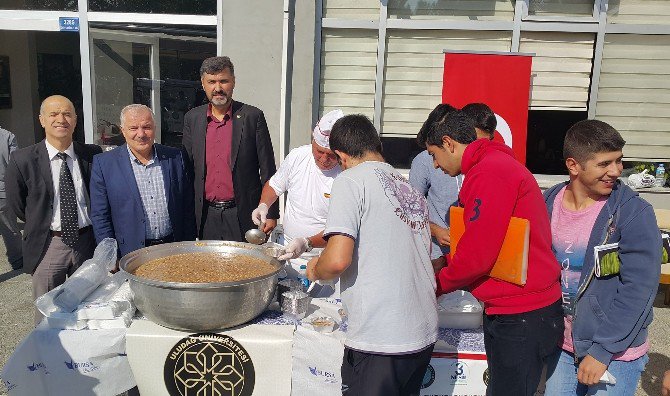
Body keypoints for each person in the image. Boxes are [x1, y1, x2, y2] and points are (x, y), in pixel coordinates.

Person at [421, 110, 563, 396]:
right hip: (516, 307)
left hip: (522, 313)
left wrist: (432, 286)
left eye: (434, 155)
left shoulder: (489, 171)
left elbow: (478, 256)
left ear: (449, 143)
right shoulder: (492, 165)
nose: (435, 166)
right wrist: (445, 261)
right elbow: (487, 238)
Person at [306, 114, 438, 396]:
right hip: (421, 331)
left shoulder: (351, 181)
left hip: (382, 338)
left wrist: (316, 269)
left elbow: (337, 260)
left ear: (341, 156)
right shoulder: (409, 189)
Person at [543, 120, 660, 396]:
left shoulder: (632, 212)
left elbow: (639, 290)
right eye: (604, 163)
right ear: (574, 165)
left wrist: (603, 350)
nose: (616, 171)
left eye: (619, 161)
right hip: (562, 345)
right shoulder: (549, 201)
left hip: (616, 351)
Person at [5, 95, 102, 324]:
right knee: (48, 314)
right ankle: (47, 357)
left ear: (76, 120)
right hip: (48, 244)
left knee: (89, 307)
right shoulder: (22, 159)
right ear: (42, 120)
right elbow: (18, 205)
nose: (61, 119)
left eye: (68, 114)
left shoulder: (92, 154)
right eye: (54, 114)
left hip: (86, 243)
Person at [182, 56, 278, 241]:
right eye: (212, 82)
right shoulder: (192, 119)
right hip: (205, 215)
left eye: (223, 81)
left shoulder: (252, 117)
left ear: (233, 82)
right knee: (207, 268)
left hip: (242, 213)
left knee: (245, 269)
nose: (218, 88)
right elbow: (187, 169)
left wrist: (272, 212)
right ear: (203, 84)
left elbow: (268, 168)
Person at [90, 104, 196, 258]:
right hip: (130, 252)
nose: (141, 134)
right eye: (133, 128)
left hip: (174, 248)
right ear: (123, 130)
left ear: (155, 127)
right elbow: (100, 216)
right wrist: (109, 254)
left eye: (147, 127)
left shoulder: (175, 157)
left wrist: (189, 244)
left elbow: (187, 204)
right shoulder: (104, 164)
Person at [252, 109, 343, 263]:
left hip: (325, 256)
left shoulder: (346, 174)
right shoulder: (298, 156)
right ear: (313, 141)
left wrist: (307, 242)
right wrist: (263, 204)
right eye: (319, 151)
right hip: (288, 248)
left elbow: (341, 229)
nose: (324, 159)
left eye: (332, 155)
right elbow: (274, 185)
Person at [0, 126, 22, 270]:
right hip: (2, 191)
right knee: (10, 229)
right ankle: (17, 260)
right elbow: (14, 166)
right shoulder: (7, 136)